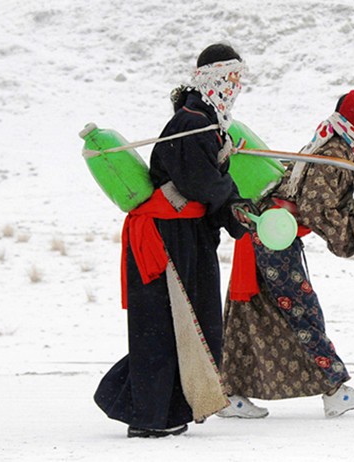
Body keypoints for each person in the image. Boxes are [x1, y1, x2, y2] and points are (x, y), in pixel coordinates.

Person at [94, 43, 248, 438]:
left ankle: (166, 409)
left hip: (187, 234)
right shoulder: (190, 123)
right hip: (167, 236)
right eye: (230, 77)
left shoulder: (207, 123)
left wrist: (235, 211)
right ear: (212, 78)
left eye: (238, 77)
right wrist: (235, 209)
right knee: (166, 323)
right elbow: (200, 182)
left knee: (191, 323)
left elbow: (211, 182)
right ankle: (147, 416)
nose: (236, 85)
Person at [218, 89, 354, 419]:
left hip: (269, 233)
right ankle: (335, 391)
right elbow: (318, 211)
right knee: (303, 312)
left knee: (251, 312)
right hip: (276, 238)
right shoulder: (334, 153)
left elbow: (327, 207)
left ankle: (229, 395)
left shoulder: (334, 147)